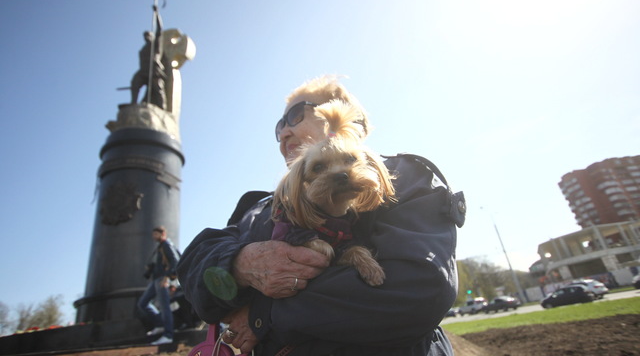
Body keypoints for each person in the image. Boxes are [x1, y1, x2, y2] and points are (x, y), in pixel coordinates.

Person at [177, 75, 465, 355]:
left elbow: (419, 290)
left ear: (345, 117)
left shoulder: (405, 178)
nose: (284, 133)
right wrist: (237, 265)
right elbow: (193, 266)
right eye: (279, 126)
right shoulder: (260, 208)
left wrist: (263, 316)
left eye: (294, 116)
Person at [138, 225, 181, 345]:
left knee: (164, 306)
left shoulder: (167, 244)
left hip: (163, 279)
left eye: (156, 234)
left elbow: (175, 261)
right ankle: (160, 324)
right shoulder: (160, 247)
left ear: (162, 234)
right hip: (156, 279)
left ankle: (168, 335)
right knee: (143, 303)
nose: (153, 236)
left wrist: (167, 277)